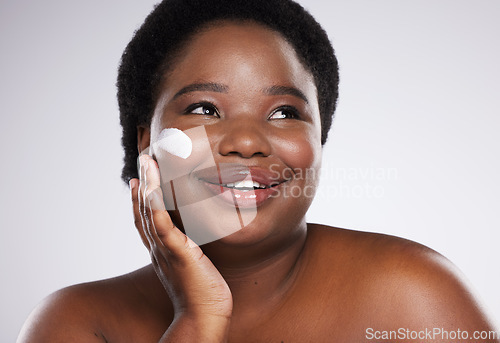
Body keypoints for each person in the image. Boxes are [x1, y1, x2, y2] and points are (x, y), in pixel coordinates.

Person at [17, 0, 499, 342]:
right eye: (204, 109)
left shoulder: (412, 297)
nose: (246, 142)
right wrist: (197, 320)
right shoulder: (78, 324)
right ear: (148, 140)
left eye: (285, 112)